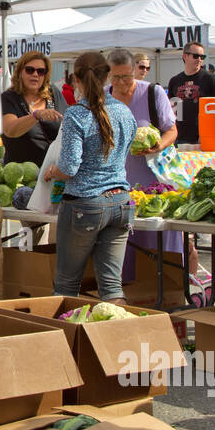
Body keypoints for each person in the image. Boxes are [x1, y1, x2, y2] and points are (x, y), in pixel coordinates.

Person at [46, 51, 138, 301]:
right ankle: (117, 338)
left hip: (85, 203)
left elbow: (69, 167)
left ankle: (66, 339)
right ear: (107, 76)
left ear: (75, 78)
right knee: (112, 287)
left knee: (66, 285)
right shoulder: (123, 111)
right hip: (120, 201)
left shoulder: (77, 114)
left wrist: (53, 172)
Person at [105, 48, 196, 290]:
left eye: (126, 77)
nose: (122, 83)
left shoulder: (152, 93)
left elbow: (171, 130)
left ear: (134, 71)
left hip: (153, 181)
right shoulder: (103, 97)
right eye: (116, 78)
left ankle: (167, 291)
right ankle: (129, 295)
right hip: (115, 184)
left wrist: (158, 145)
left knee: (156, 244)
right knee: (123, 247)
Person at [1, 50, 65, 167]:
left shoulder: (53, 93)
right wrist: (36, 115)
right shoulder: (9, 97)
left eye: (41, 71)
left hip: (50, 172)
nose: (35, 74)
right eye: (29, 70)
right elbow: (10, 130)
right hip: (20, 174)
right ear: (20, 71)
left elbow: (66, 125)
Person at [166, 41, 215, 145]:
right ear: (185, 56)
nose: (199, 60)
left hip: (204, 137)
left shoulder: (211, 79)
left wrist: (212, 133)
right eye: (196, 56)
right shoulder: (174, 81)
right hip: (180, 137)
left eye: (202, 57)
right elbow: (172, 111)